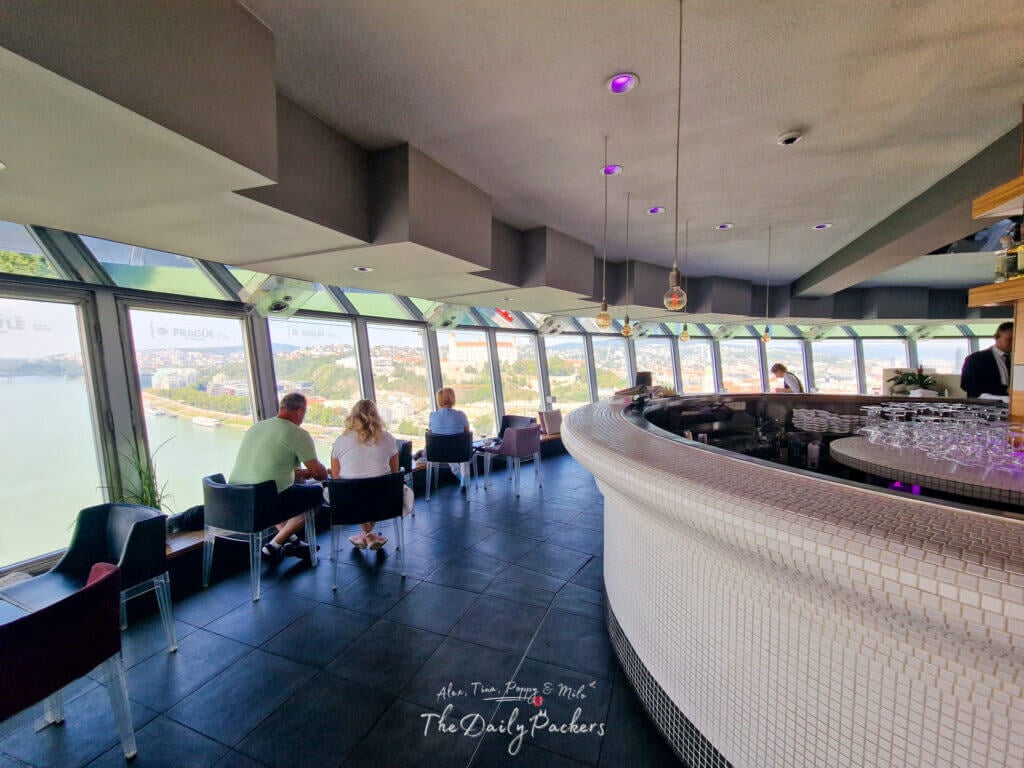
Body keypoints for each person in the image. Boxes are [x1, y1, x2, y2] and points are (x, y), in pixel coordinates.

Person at [229, 392, 328, 564]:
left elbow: (267, 469)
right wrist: (322, 471)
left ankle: (293, 541)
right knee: (317, 494)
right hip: (263, 505)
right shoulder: (297, 433)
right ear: (299, 411)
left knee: (281, 490)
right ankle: (273, 546)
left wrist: (298, 473)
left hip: (235, 500)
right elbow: (319, 474)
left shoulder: (256, 427)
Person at [330, 399, 412, 550]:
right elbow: (394, 473)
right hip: (383, 500)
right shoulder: (388, 438)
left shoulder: (341, 441)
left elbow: (335, 476)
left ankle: (365, 535)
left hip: (350, 501)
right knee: (378, 490)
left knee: (354, 492)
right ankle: (369, 535)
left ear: (353, 416)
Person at [428, 386, 471, 493]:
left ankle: (457, 473)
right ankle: (464, 479)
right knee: (462, 446)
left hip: (436, 453)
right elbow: (466, 434)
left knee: (444, 445)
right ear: (453, 399)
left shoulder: (432, 415)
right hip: (459, 453)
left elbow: (432, 432)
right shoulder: (461, 415)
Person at [960, 321, 1013, 398]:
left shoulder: (1017, 361)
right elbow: (967, 385)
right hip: (984, 406)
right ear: (996, 338)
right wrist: (1006, 390)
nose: (1013, 343)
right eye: (1009, 340)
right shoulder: (975, 359)